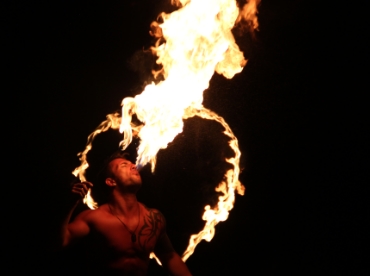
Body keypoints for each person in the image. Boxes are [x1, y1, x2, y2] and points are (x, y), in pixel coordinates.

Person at [57, 151, 192, 276]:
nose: (134, 166)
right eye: (124, 165)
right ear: (111, 181)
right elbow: (60, 243)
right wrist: (70, 205)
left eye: (132, 163)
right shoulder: (94, 218)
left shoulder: (154, 217)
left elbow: (169, 257)